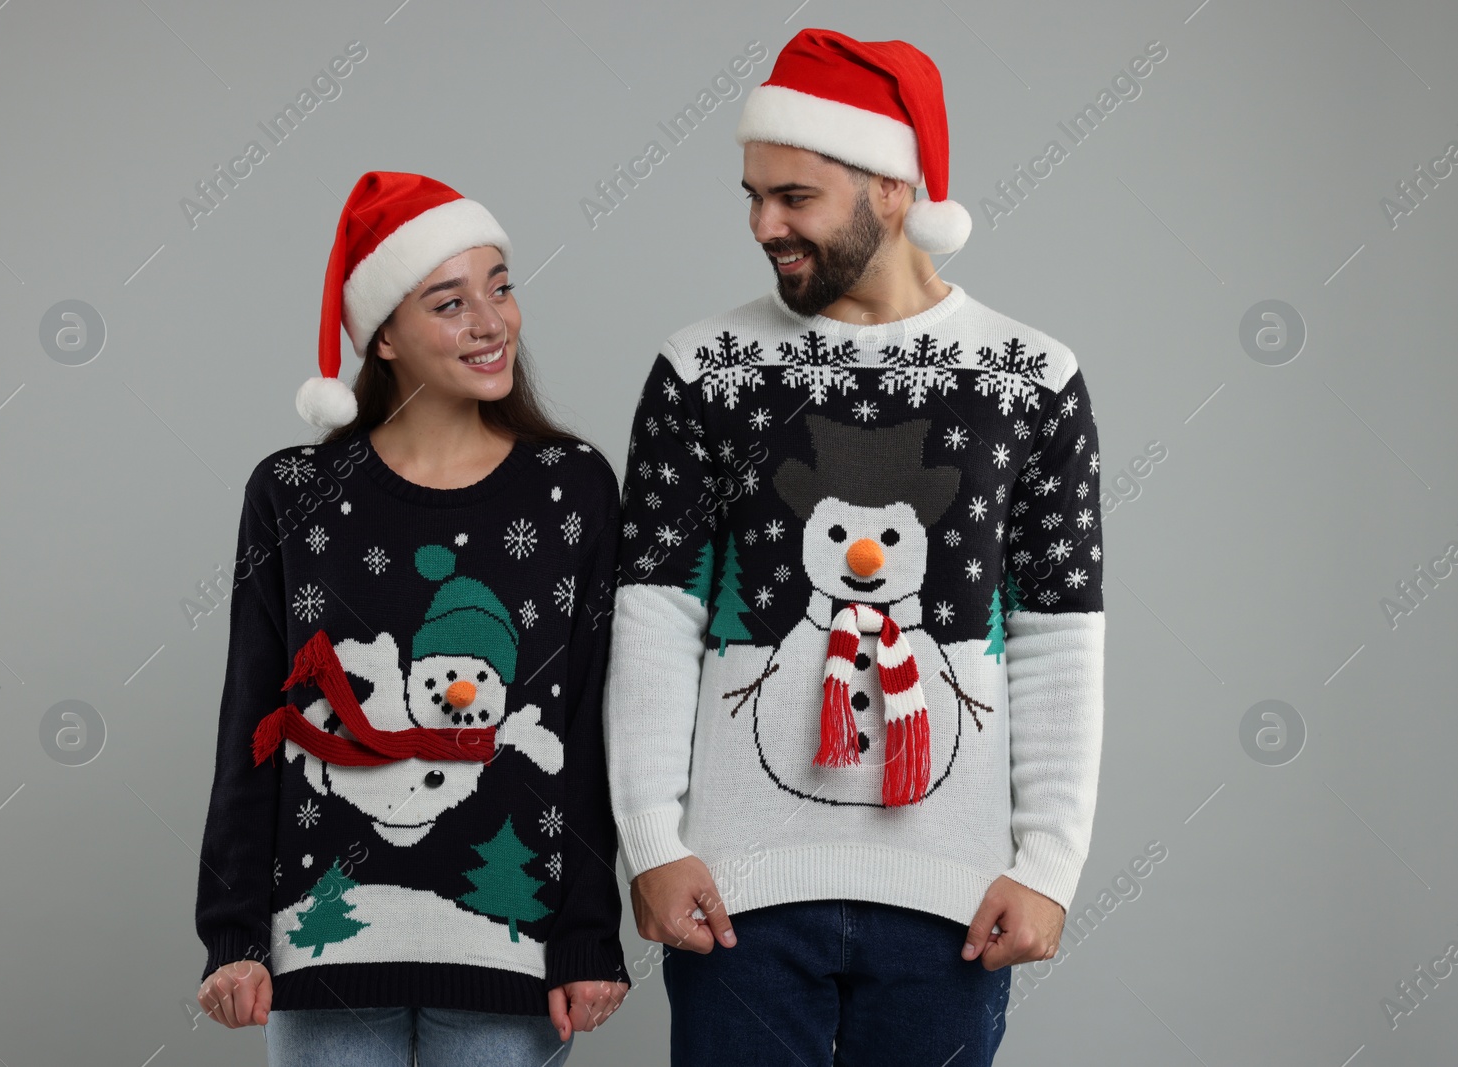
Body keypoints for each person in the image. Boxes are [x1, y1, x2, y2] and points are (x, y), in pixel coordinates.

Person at [603, 29, 1105, 1066]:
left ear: (890, 185)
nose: (762, 225)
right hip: (733, 896)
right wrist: (653, 842)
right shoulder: (703, 368)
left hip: (954, 904)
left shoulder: (1030, 376)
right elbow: (654, 612)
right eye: (751, 195)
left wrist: (1049, 864)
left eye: (793, 197)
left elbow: (1059, 632)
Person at [193, 171, 630, 1066]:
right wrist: (234, 930)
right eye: (450, 301)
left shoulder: (573, 488)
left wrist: (589, 931)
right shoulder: (293, 494)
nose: (491, 321)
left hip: (511, 950)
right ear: (383, 332)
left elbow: (587, 724)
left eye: (501, 287)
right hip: (324, 949)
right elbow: (253, 721)